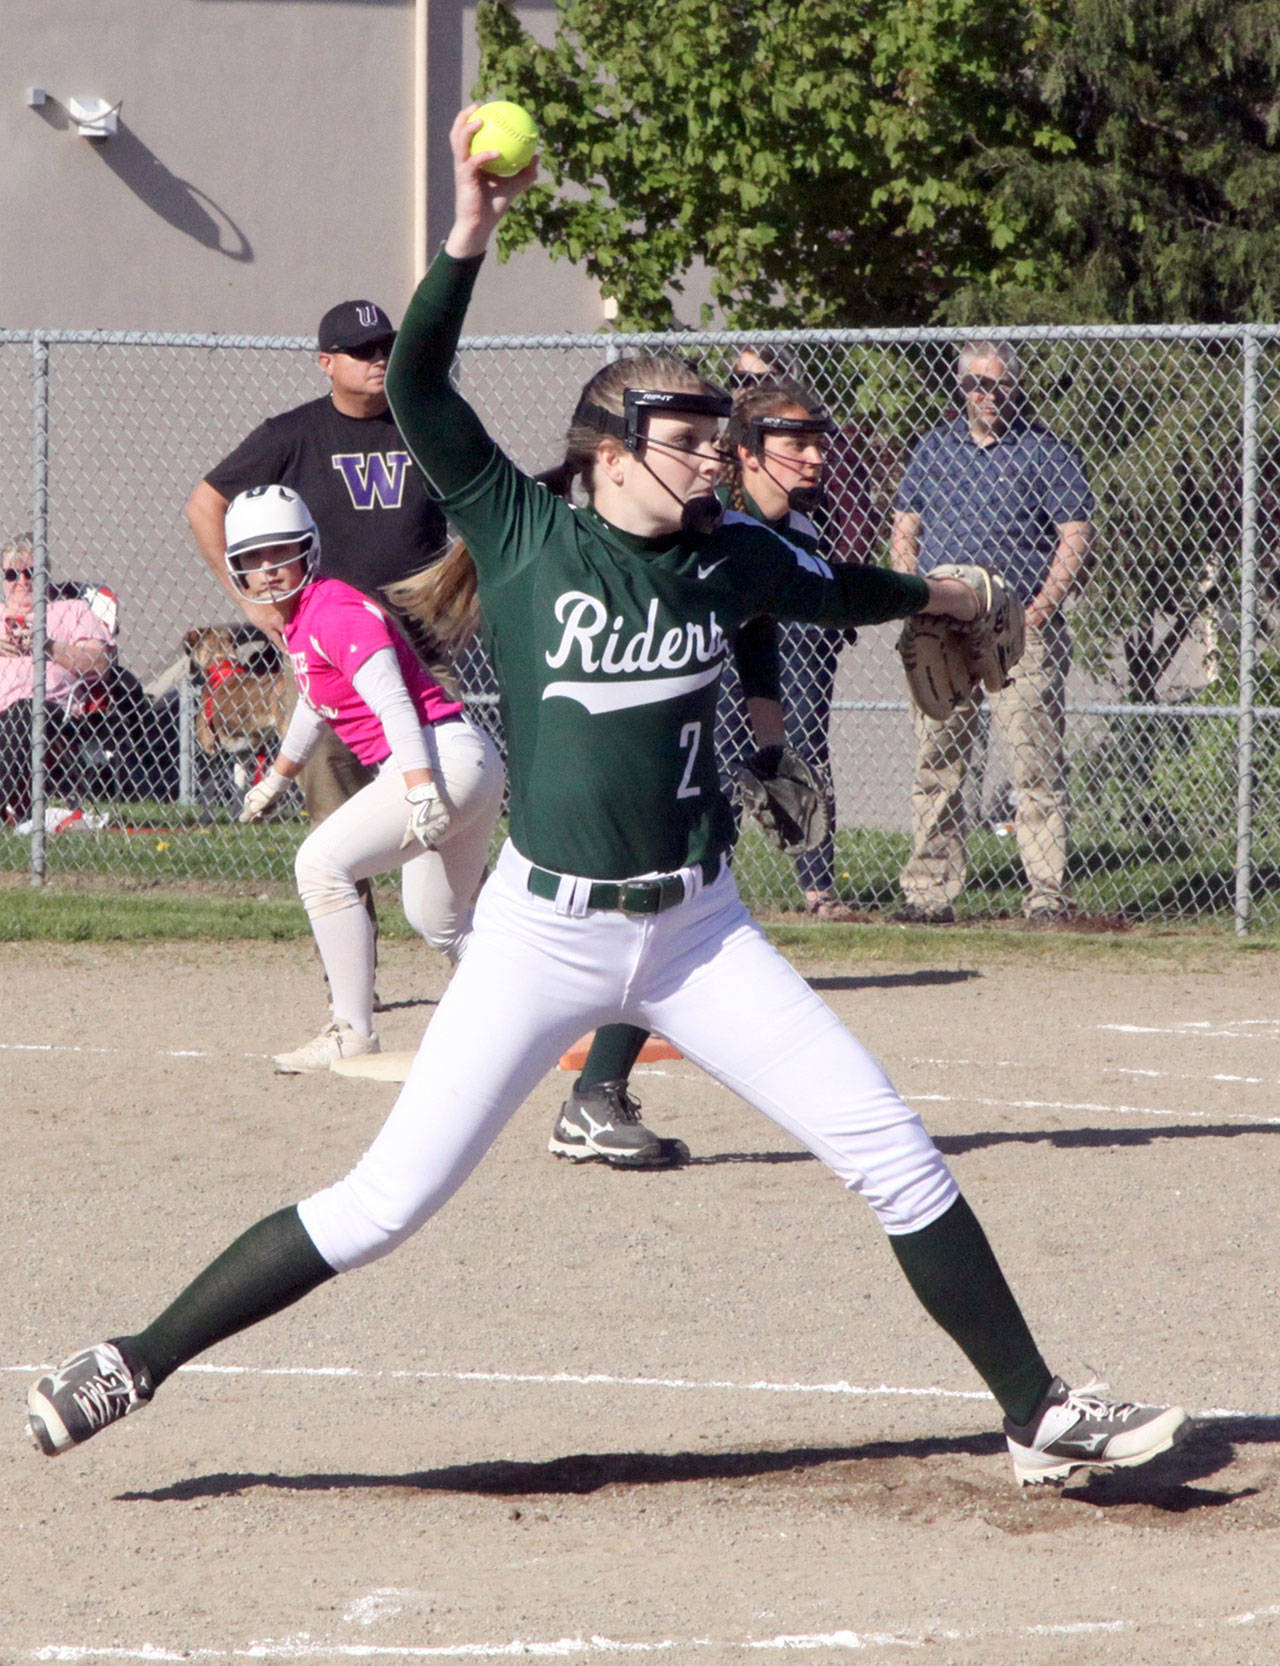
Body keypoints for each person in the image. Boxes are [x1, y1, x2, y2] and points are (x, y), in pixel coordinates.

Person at [25, 110, 1188, 1492]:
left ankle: (1038, 1412)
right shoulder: (520, 528)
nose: (714, 456)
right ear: (608, 451)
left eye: (717, 437)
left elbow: (842, 587)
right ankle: (134, 1357)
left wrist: (947, 593)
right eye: (687, 438)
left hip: (698, 931)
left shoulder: (726, 553)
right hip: (542, 929)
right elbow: (417, 377)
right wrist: (472, 225)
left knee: (888, 1145)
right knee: (384, 1202)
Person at [550, 377, 862, 1168]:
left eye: (817, 440)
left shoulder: (783, 529)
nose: (813, 455)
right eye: (794, 441)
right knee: (666, 910)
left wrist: (769, 747)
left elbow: (758, 638)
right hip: (659, 715)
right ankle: (592, 1092)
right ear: (749, 453)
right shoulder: (718, 524)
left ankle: (595, 1093)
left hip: (708, 714)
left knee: (678, 914)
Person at [185, 297, 452, 983]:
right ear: (326, 362)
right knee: (337, 831)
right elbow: (206, 503)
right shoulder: (294, 434)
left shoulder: (425, 422)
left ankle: (469, 965)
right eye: (361, 351)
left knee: (442, 818)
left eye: (385, 346)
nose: (378, 359)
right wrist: (248, 597)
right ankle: (354, 986)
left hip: (423, 656)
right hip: (335, 665)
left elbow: (484, 504)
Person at [224, 485, 505, 1073]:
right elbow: (314, 702)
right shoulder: (306, 619)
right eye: (253, 559)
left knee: (319, 865)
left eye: (280, 553)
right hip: (457, 762)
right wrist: (277, 780)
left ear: (309, 550)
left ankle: (351, 1031)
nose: (268, 570)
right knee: (441, 923)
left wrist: (421, 787)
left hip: (437, 760)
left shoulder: (334, 610)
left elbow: (397, 704)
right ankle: (537, 1009)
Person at [890, 341, 1094, 925]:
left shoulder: (1047, 451)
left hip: (1016, 626)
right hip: (941, 626)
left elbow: (1074, 535)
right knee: (939, 760)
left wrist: (1038, 609)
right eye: (978, 384)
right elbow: (905, 527)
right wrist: (913, 595)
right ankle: (929, 893)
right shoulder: (934, 448)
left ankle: (1046, 895)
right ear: (962, 388)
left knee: (1034, 762)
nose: (989, 395)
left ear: (1015, 387)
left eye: (999, 384)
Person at [0, 532, 114, 824]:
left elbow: (99, 664)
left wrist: (48, 647)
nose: (22, 582)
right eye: (12, 574)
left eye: (31, 572)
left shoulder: (71, 610)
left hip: (47, 713)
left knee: (25, 711)